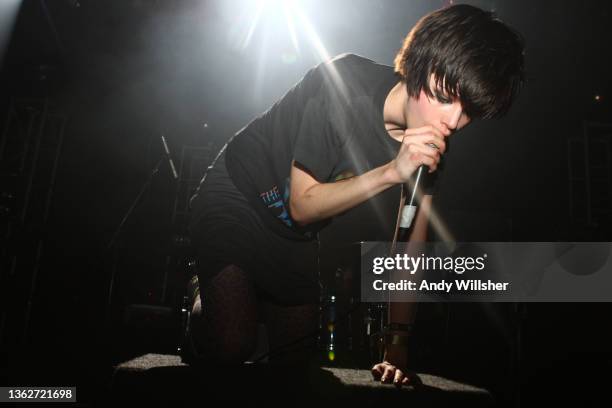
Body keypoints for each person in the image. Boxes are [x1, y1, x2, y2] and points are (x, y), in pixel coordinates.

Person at [185, 4, 524, 385]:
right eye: (445, 96)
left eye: (469, 111)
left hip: (292, 238)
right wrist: (392, 171)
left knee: (293, 363)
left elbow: (409, 245)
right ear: (419, 64)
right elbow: (301, 205)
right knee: (232, 343)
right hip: (237, 191)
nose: (452, 122)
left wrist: (396, 345)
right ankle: (204, 299)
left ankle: (241, 294)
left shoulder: (431, 150)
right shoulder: (343, 82)